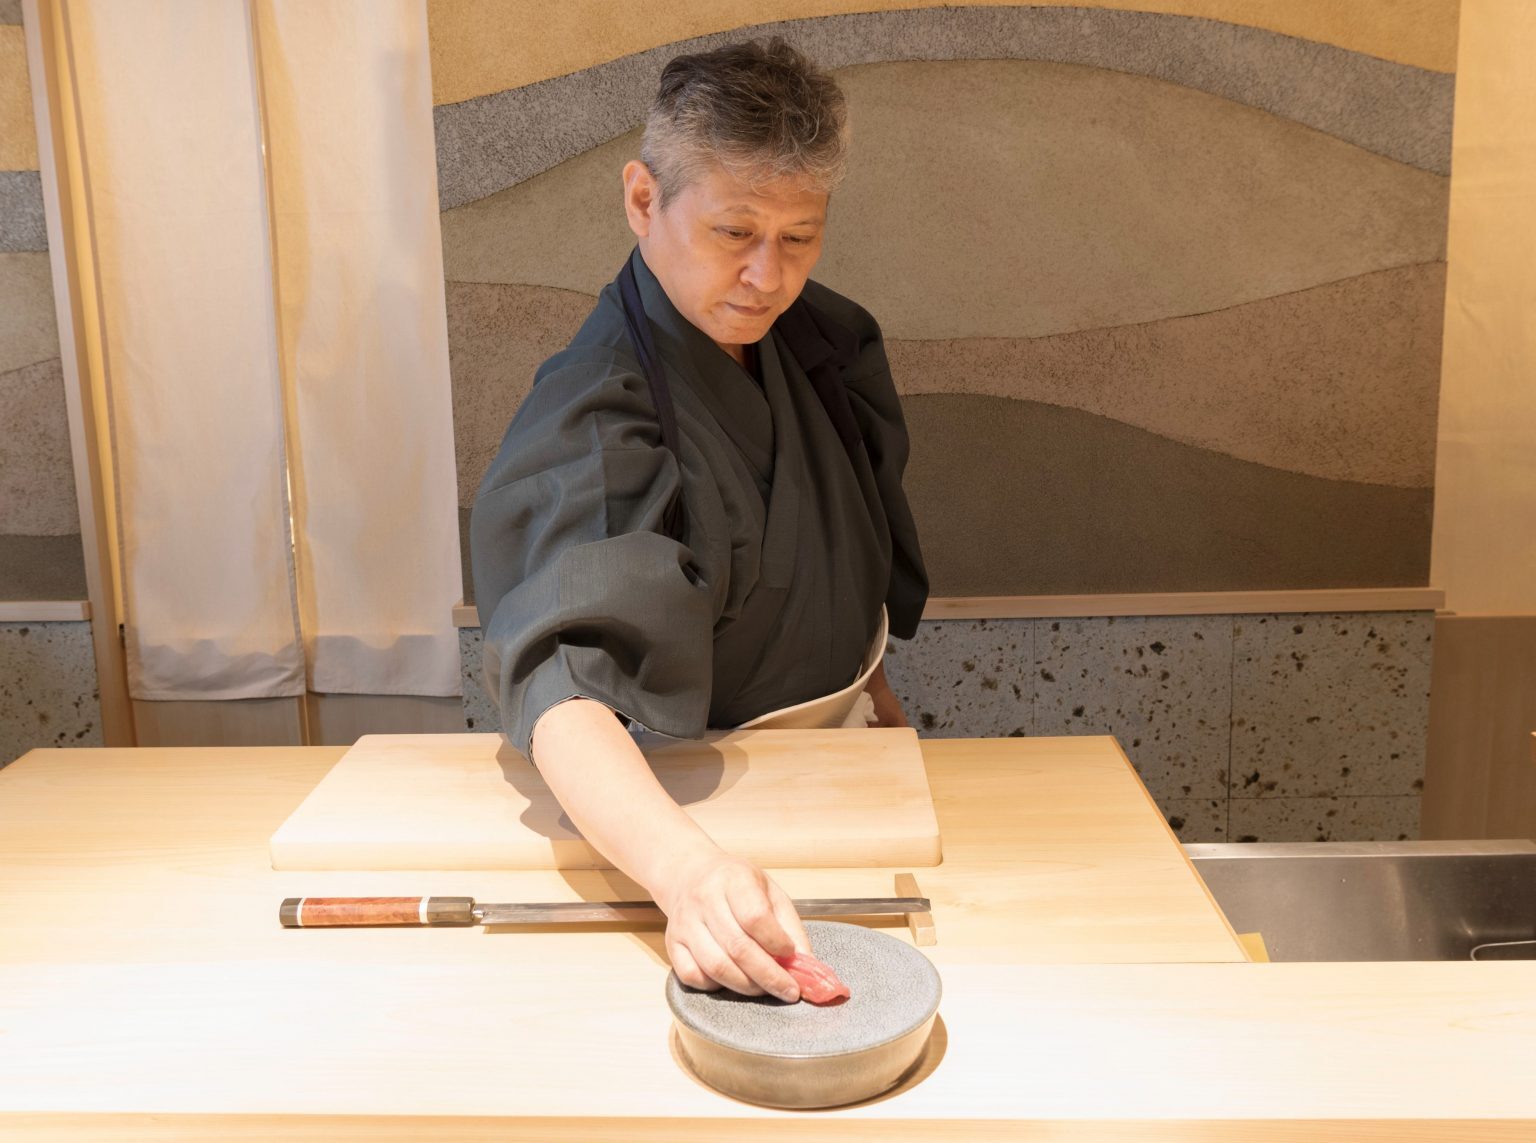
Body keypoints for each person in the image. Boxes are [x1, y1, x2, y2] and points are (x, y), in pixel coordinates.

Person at [470, 38, 927, 1004]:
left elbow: (830, 544)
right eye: (734, 232)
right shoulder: (598, 406)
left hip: (847, 771)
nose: (768, 274)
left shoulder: (815, 337)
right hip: (685, 805)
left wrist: (880, 709)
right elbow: (563, 685)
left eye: (799, 236)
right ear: (644, 200)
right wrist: (684, 873)